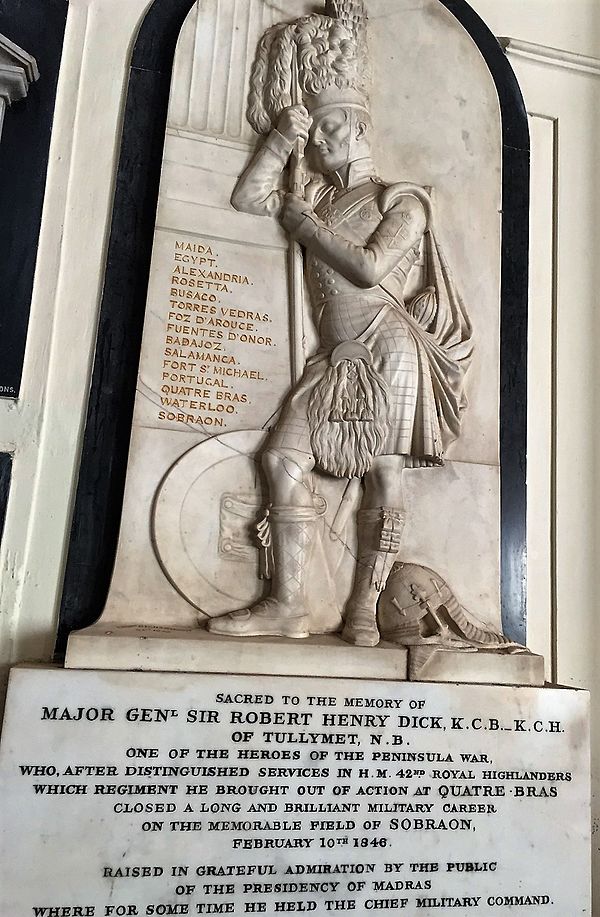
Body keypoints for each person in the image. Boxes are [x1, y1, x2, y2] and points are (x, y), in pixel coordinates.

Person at [208, 3, 472, 647]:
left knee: (382, 473)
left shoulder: (399, 198)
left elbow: (370, 266)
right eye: (316, 131)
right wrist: (280, 140)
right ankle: (289, 605)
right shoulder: (318, 195)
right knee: (282, 458)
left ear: (357, 128)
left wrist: (305, 225)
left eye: (328, 129)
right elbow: (247, 198)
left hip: (390, 343)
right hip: (335, 352)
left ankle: (364, 609)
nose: (320, 142)